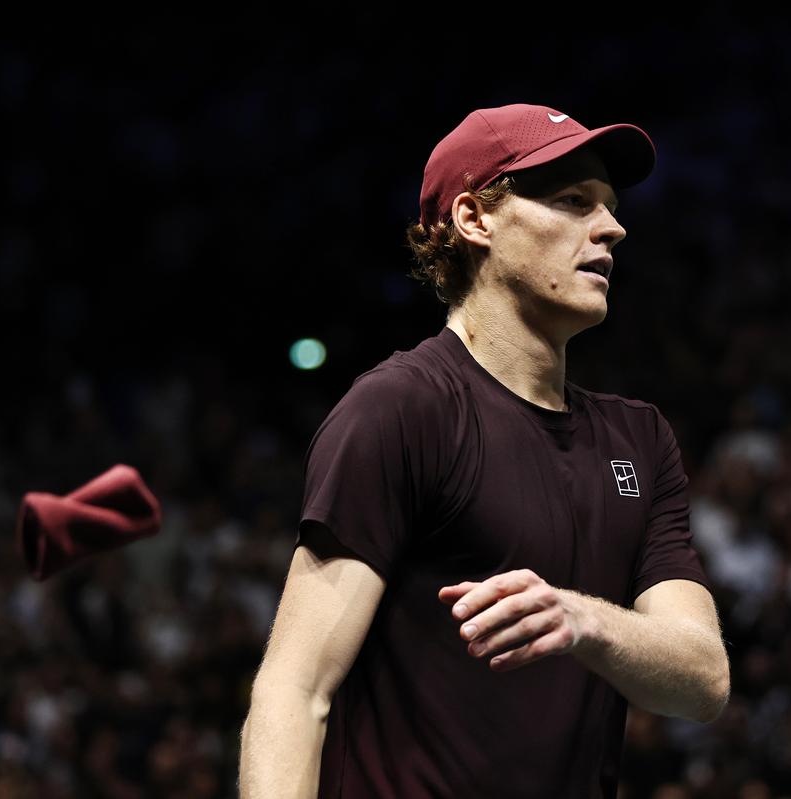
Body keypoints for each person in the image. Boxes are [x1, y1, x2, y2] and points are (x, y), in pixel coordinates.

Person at [239, 102, 730, 798]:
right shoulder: (401, 409)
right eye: (573, 201)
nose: (612, 227)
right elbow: (295, 687)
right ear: (475, 219)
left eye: (610, 206)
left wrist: (583, 617)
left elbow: (704, 679)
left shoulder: (640, 438)